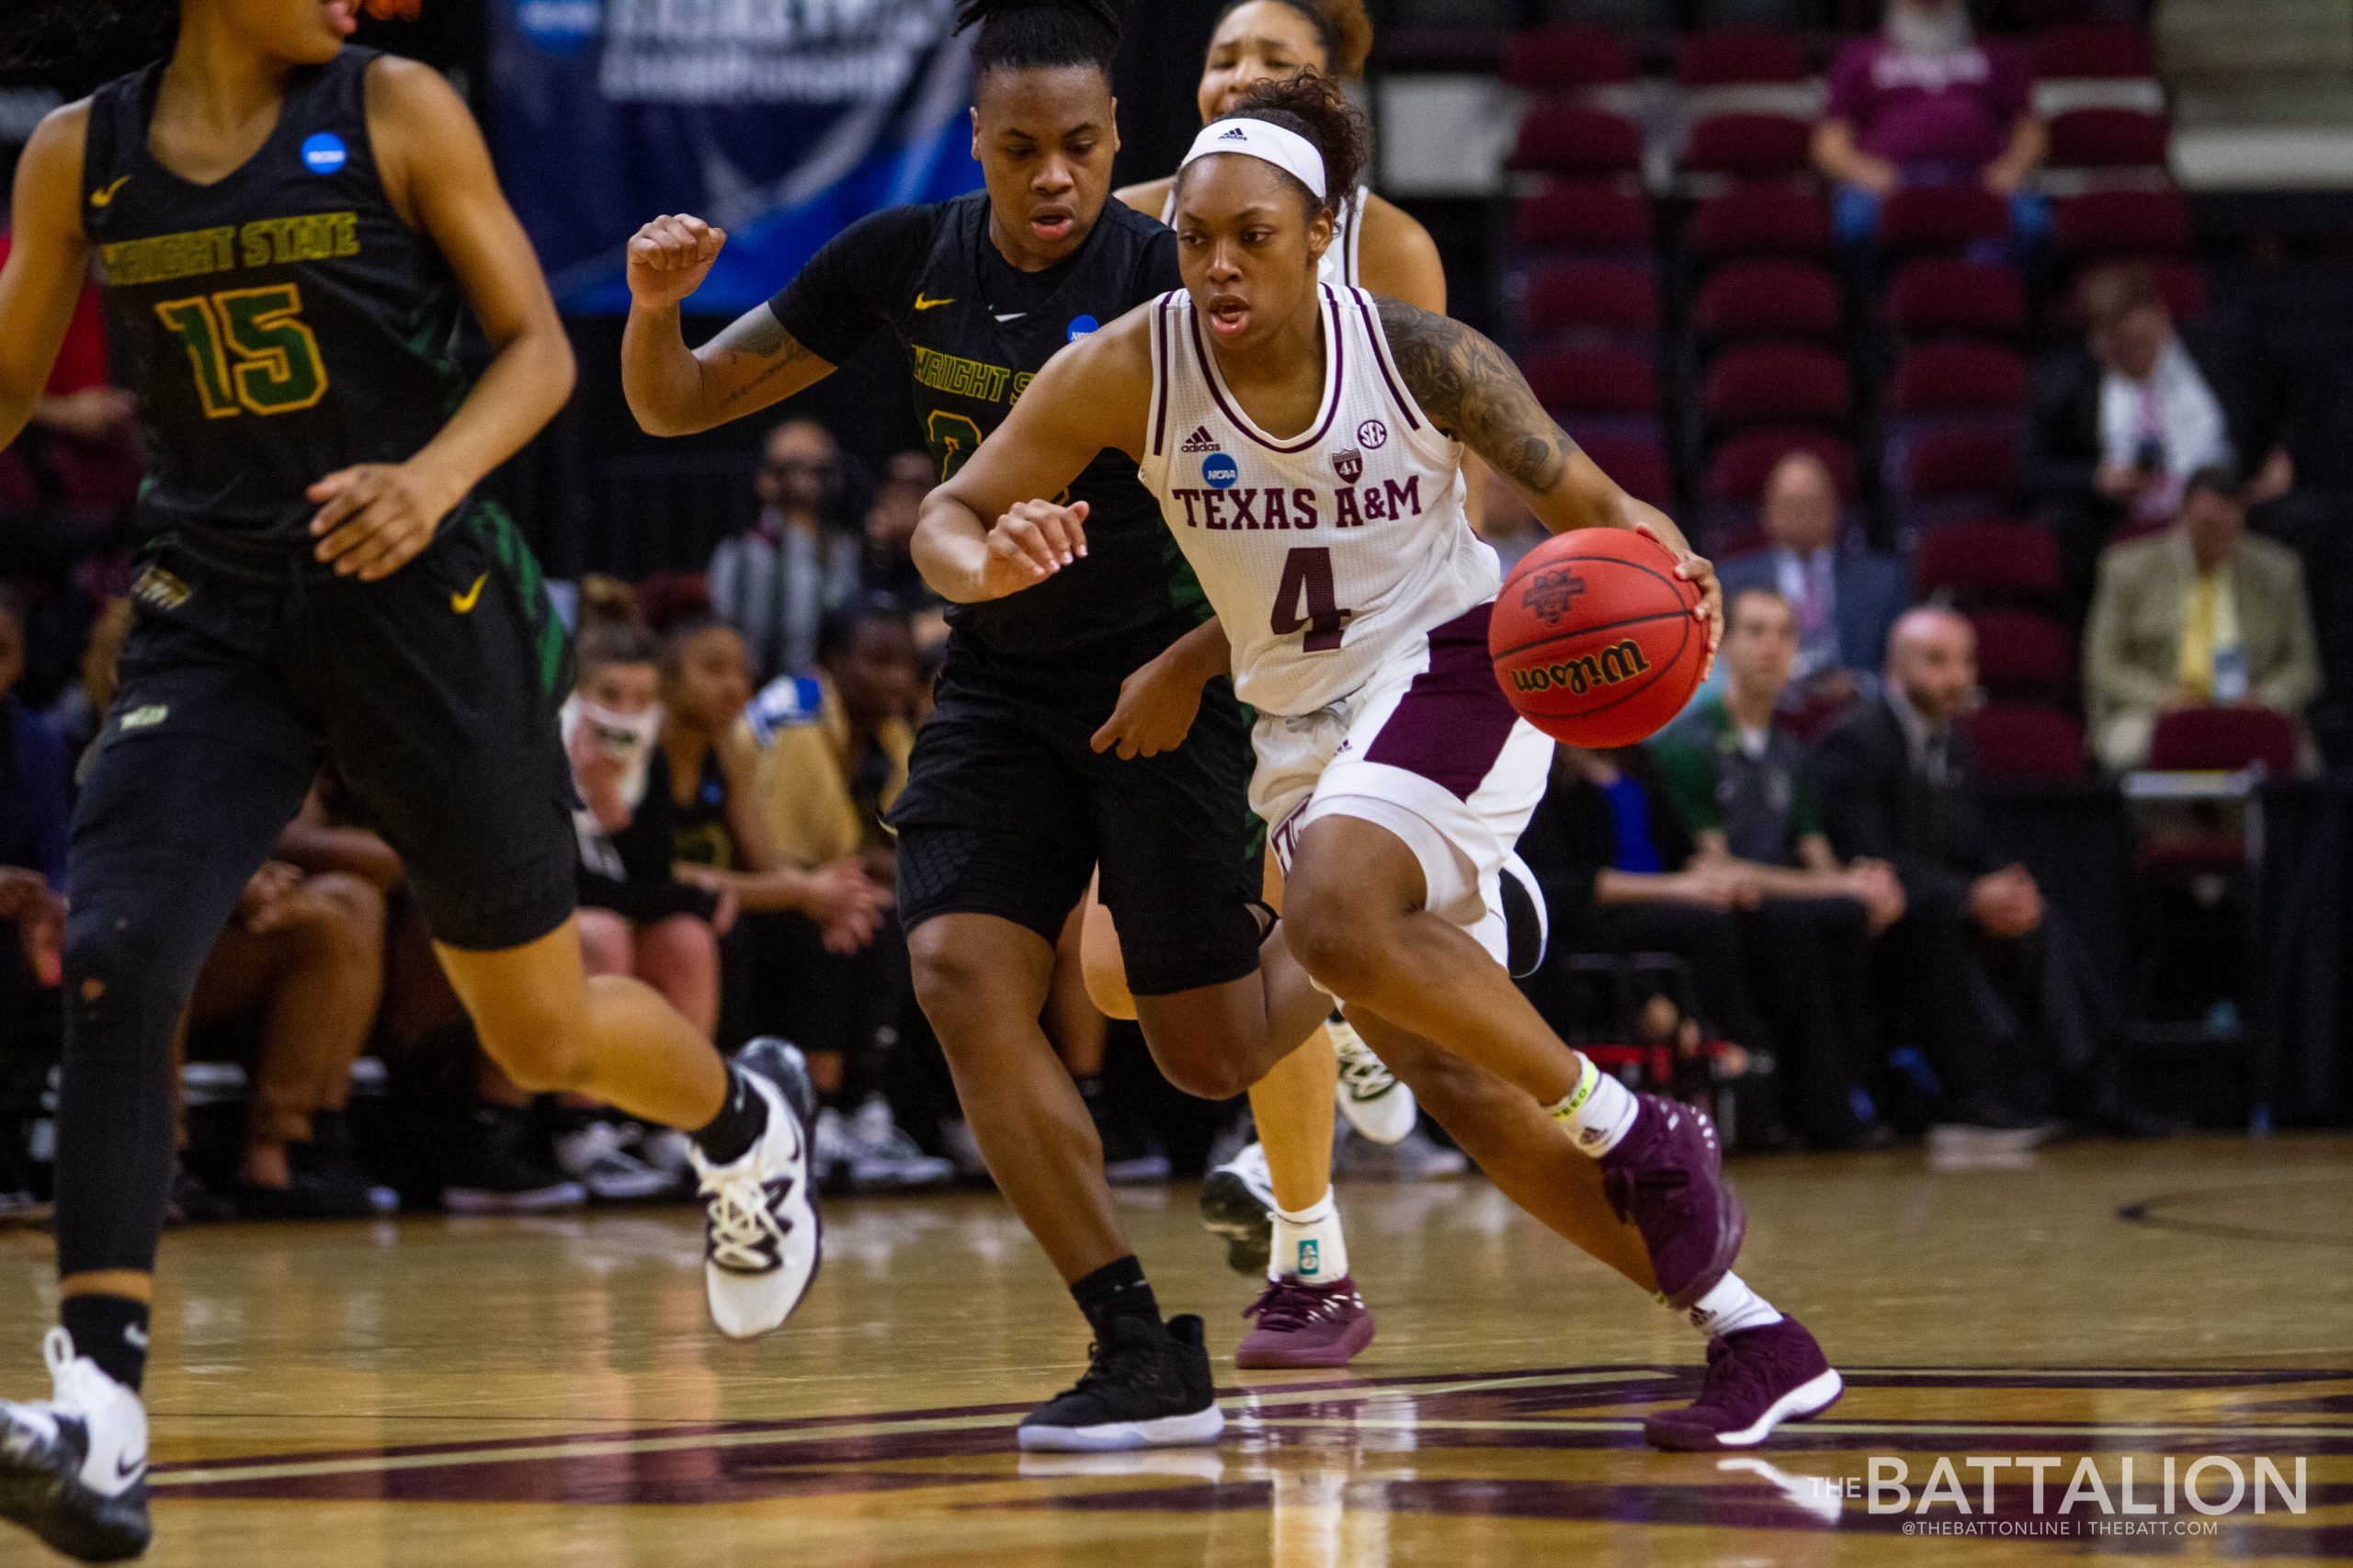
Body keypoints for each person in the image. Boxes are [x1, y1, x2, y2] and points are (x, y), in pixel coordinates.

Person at [918, 72, 1844, 1453]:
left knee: (1341, 912)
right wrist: (978, 559)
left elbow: (1593, 500)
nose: (1219, 264)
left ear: (1324, 228)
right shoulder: (1128, 364)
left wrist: (1674, 560)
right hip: (1296, 734)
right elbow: (953, 504)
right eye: (1196, 237)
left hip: (1457, 670)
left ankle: (1640, 1119)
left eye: (1256, 236)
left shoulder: (1419, 354)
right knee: (1455, 1084)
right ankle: (1753, 1331)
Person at [0, 6, 820, 1557]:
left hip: (427, 601)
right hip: (211, 612)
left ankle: (743, 1116)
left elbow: (532, 349)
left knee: (543, 1023)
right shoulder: (77, 159)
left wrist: (429, 479)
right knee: (112, 961)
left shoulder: (399, 109)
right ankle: (99, 1416)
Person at [622, 0, 1342, 1451]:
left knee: (1205, 1056)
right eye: (1022, 149)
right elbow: (679, 404)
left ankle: (1393, 935)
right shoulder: (909, 257)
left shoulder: (1173, 281)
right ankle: (1136, 1342)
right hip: (1005, 686)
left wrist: (1198, 665)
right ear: (977, 147)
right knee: (953, 964)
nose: (1055, 175)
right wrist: (653, 306)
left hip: (1171, 681)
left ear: (1121, 140)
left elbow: (1312, 534)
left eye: (1080, 144)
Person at [1094, 0, 1489, 1367]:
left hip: (1324, 649)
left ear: (1335, 93)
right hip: (1174, 619)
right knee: (1112, 974)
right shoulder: (1142, 223)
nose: (1239, 79)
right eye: (1217, 57)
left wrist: (1203, 649)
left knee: (1288, 910)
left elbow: (1402, 511)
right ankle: (1348, 985)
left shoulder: (1392, 254)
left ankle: (1313, 1254)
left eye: (1273, 59)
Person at [1815, 608, 2143, 1146]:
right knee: (1945, 919)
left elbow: (1970, 845)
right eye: (1938, 662)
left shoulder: (1957, 745)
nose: (1958, 677)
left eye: (1967, 662)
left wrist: (2003, 883)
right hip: (1880, 913)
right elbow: (1863, 853)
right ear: (1895, 670)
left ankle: (2095, 1087)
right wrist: (1971, 895)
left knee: (2039, 916)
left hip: (1940, 898)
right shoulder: (1855, 741)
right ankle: (1976, 1093)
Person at [1652, 588, 1905, 1148]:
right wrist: (1837, 887)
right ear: (1723, 647)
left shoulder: (1793, 750)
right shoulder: (1689, 743)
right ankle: (1818, 1105)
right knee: (1815, 922)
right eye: (1756, 631)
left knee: (1856, 916)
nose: (1772, 646)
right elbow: (1712, 862)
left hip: (1783, 898)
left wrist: (1862, 884)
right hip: (1717, 903)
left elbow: (1815, 850)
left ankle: (1859, 1090)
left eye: (1785, 633)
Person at [742, 594, 954, 1193]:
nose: (898, 677)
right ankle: (827, 1112)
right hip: (755, 885)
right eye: (878, 661)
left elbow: (901, 845)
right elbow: (801, 857)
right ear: (832, 661)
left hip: (815, 885)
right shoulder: (800, 721)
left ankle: (866, 1110)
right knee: (855, 919)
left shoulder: (885, 732)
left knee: (916, 918)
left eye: (904, 662)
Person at [556, 579, 733, 1202]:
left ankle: (677, 1121)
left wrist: (611, 806)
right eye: (609, 695)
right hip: (544, 922)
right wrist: (693, 896)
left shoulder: (649, 759)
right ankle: (583, 1129)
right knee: (601, 933)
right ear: (574, 696)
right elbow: (567, 887)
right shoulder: (538, 752)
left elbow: (650, 875)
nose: (625, 712)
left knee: (687, 939)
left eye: (642, 698)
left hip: (608, 907)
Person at [2084, 466, 2320, 773]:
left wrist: (2266, 698)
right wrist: (2160, 697)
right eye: (2205, 525)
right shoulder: (2127, 568)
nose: (2214, 537)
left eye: (2226, 526)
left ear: (2242, 519)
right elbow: (2103, 663)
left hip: (2250, 713)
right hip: (2152, 711)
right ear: (2181, 516)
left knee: (2301, 763)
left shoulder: (2279, 570)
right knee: (2136, 749)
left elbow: (2304, 666)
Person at [2035, 265, 2299, 540]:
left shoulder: (2221, 351)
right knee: (2060, 520)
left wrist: (2283, 456)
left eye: (2142, 343)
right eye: (2120, 348)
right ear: (2096, 341)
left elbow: (2293, 398)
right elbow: (2035, 467)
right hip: (2125, 523)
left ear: (2163, 317)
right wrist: (2095, 479)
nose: (2136, 358)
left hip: (2231, 504)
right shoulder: (2067, 383)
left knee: (2299, 515)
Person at [1814, 0, 2047, 248]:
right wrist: (1861, 171)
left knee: (2031, 223)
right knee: (1854, 225)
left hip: (1980, 178)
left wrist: (2013, 167)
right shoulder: (1860, 56)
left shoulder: (1999, 55)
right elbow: (1830, 140)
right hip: (1887, 181)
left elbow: (2030, 131)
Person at [1713, 451, 1905, 715]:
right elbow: (1718, 669)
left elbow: (1903, 668)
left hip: (1855, 717)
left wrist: (1862, 685)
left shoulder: (1882, 579)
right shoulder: (1731, 580)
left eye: (1813, 503)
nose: (1802, 513)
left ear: (1835, 508)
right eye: (1791, 504)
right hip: (1766, 713)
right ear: (1767, 511)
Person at [707, 417, 863, 681]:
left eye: (817, 466)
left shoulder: (847, 547)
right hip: (759, 687)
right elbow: (730, 631)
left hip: (830, 690)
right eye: (793, 466)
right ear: (765, 479)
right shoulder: (742, 553)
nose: (806, 476)